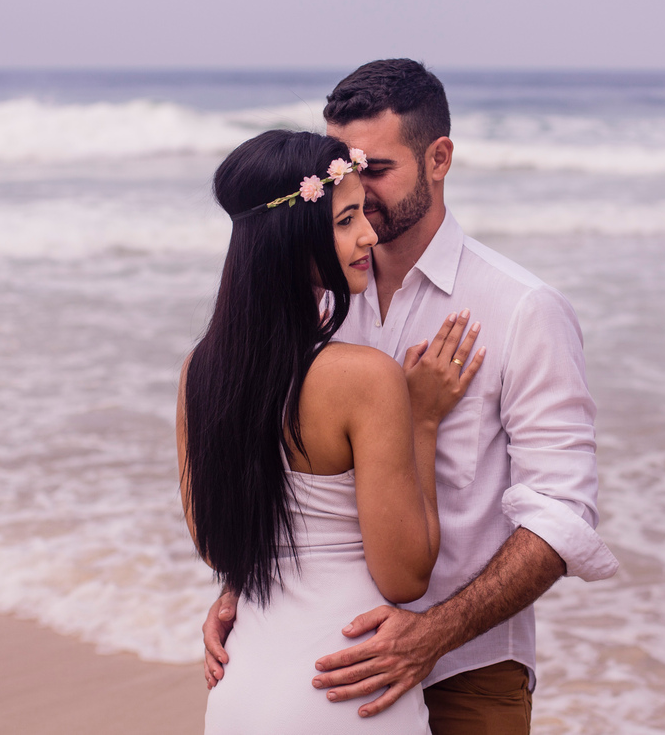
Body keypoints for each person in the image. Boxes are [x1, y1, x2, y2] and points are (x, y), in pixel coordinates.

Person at [202, 60, 620, 734]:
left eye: (377, 169)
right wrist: (249, 585)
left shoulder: (521, 309)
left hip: (469, 669)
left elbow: (560, 518)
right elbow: (293, 484)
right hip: (328, 666)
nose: (357, 191)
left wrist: (432, 633)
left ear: (440, 159)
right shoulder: (314, 306)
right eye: (344, 168)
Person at [178, 129, 485, 733]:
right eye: (346, 220)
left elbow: (219, 547)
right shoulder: (363, 378)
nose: (368, 234)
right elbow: (403, 574)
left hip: (243, 688)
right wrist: (420, 420)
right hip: (347, 687)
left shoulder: (201, 372)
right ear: (295, 239)